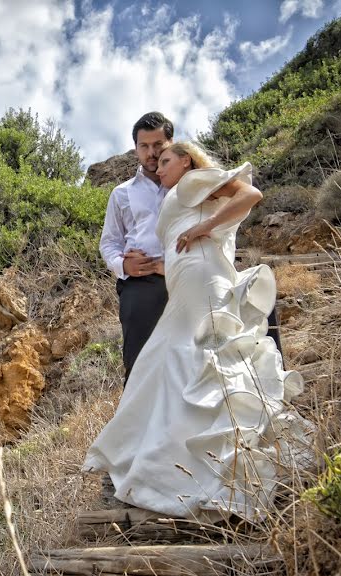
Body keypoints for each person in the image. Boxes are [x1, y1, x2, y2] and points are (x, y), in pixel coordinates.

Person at [84, 141, 311, 521]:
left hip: (204, 282)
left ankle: (219, 459)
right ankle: (182, 459)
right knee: (170, 359)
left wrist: (205, 227)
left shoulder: (194, 180)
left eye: (167, 160)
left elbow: (250, 194)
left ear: (186, 159)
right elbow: (178, 246)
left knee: (200, 353)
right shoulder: (178, 192)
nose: (160, 167)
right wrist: (155, 267)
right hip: (186, 285)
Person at [99, 112, 173, 381]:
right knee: (139, 361)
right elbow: (109, 242)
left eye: (158, 145)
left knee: (189, 355)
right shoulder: (121, 192)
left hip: (184, 277)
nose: (151, 153)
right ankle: (137, 423)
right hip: (140, 284)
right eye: (145, 146)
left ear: (171, 143)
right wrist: (123, 265)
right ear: (136, 150)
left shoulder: (186, 186)